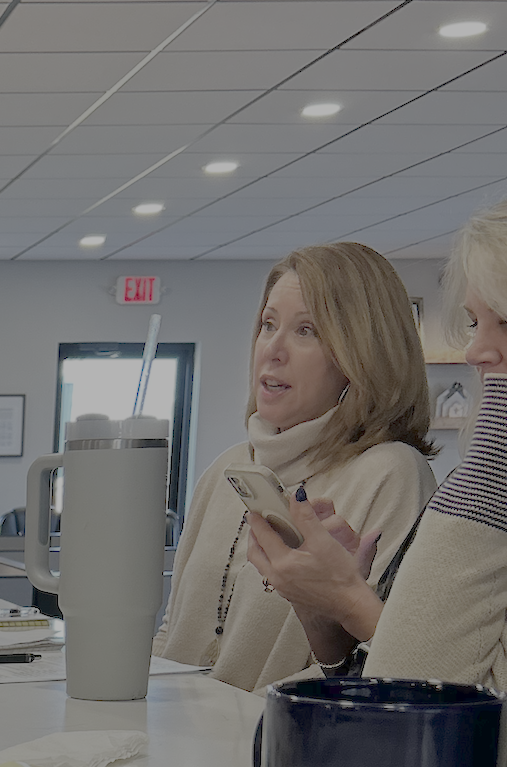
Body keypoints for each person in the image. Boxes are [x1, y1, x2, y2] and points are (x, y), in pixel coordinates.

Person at [246, 197, 507, 687]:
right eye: (475, 322)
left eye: (505, 322)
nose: (474, 351)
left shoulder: (410, 473)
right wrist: (326, 607)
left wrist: (346, 597)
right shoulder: (234, 463)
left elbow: (446, 689)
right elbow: (369, 676)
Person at [154, 242, 436, 691]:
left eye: (307, 331)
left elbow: (372, 666)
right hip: (177, 744)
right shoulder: (228, 467)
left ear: (361, 356)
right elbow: (173, 632)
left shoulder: (390, 473)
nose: (273, 349)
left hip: (270, 747)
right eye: (268, 325)